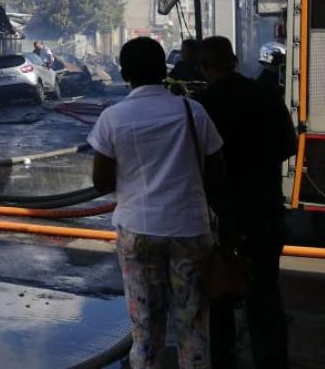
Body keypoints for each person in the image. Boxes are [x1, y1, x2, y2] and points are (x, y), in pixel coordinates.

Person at [90, 36, 225, 369]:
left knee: (146, 330)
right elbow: (218, 171)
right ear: (164, 70)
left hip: (138, 231)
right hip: (189, 230)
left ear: (124, 73)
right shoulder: (192, 111)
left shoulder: (113, 118)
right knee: (193, 327)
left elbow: (101, 182)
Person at [197, 36, 297, 369]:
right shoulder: (265, 95)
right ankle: (271, 361)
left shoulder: (201, 106)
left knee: (219, 296)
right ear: (234, 60)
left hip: (221, 215)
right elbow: (289, 146)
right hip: (264, 209)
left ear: (206, 66)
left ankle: (224, 360)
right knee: (265, 293)